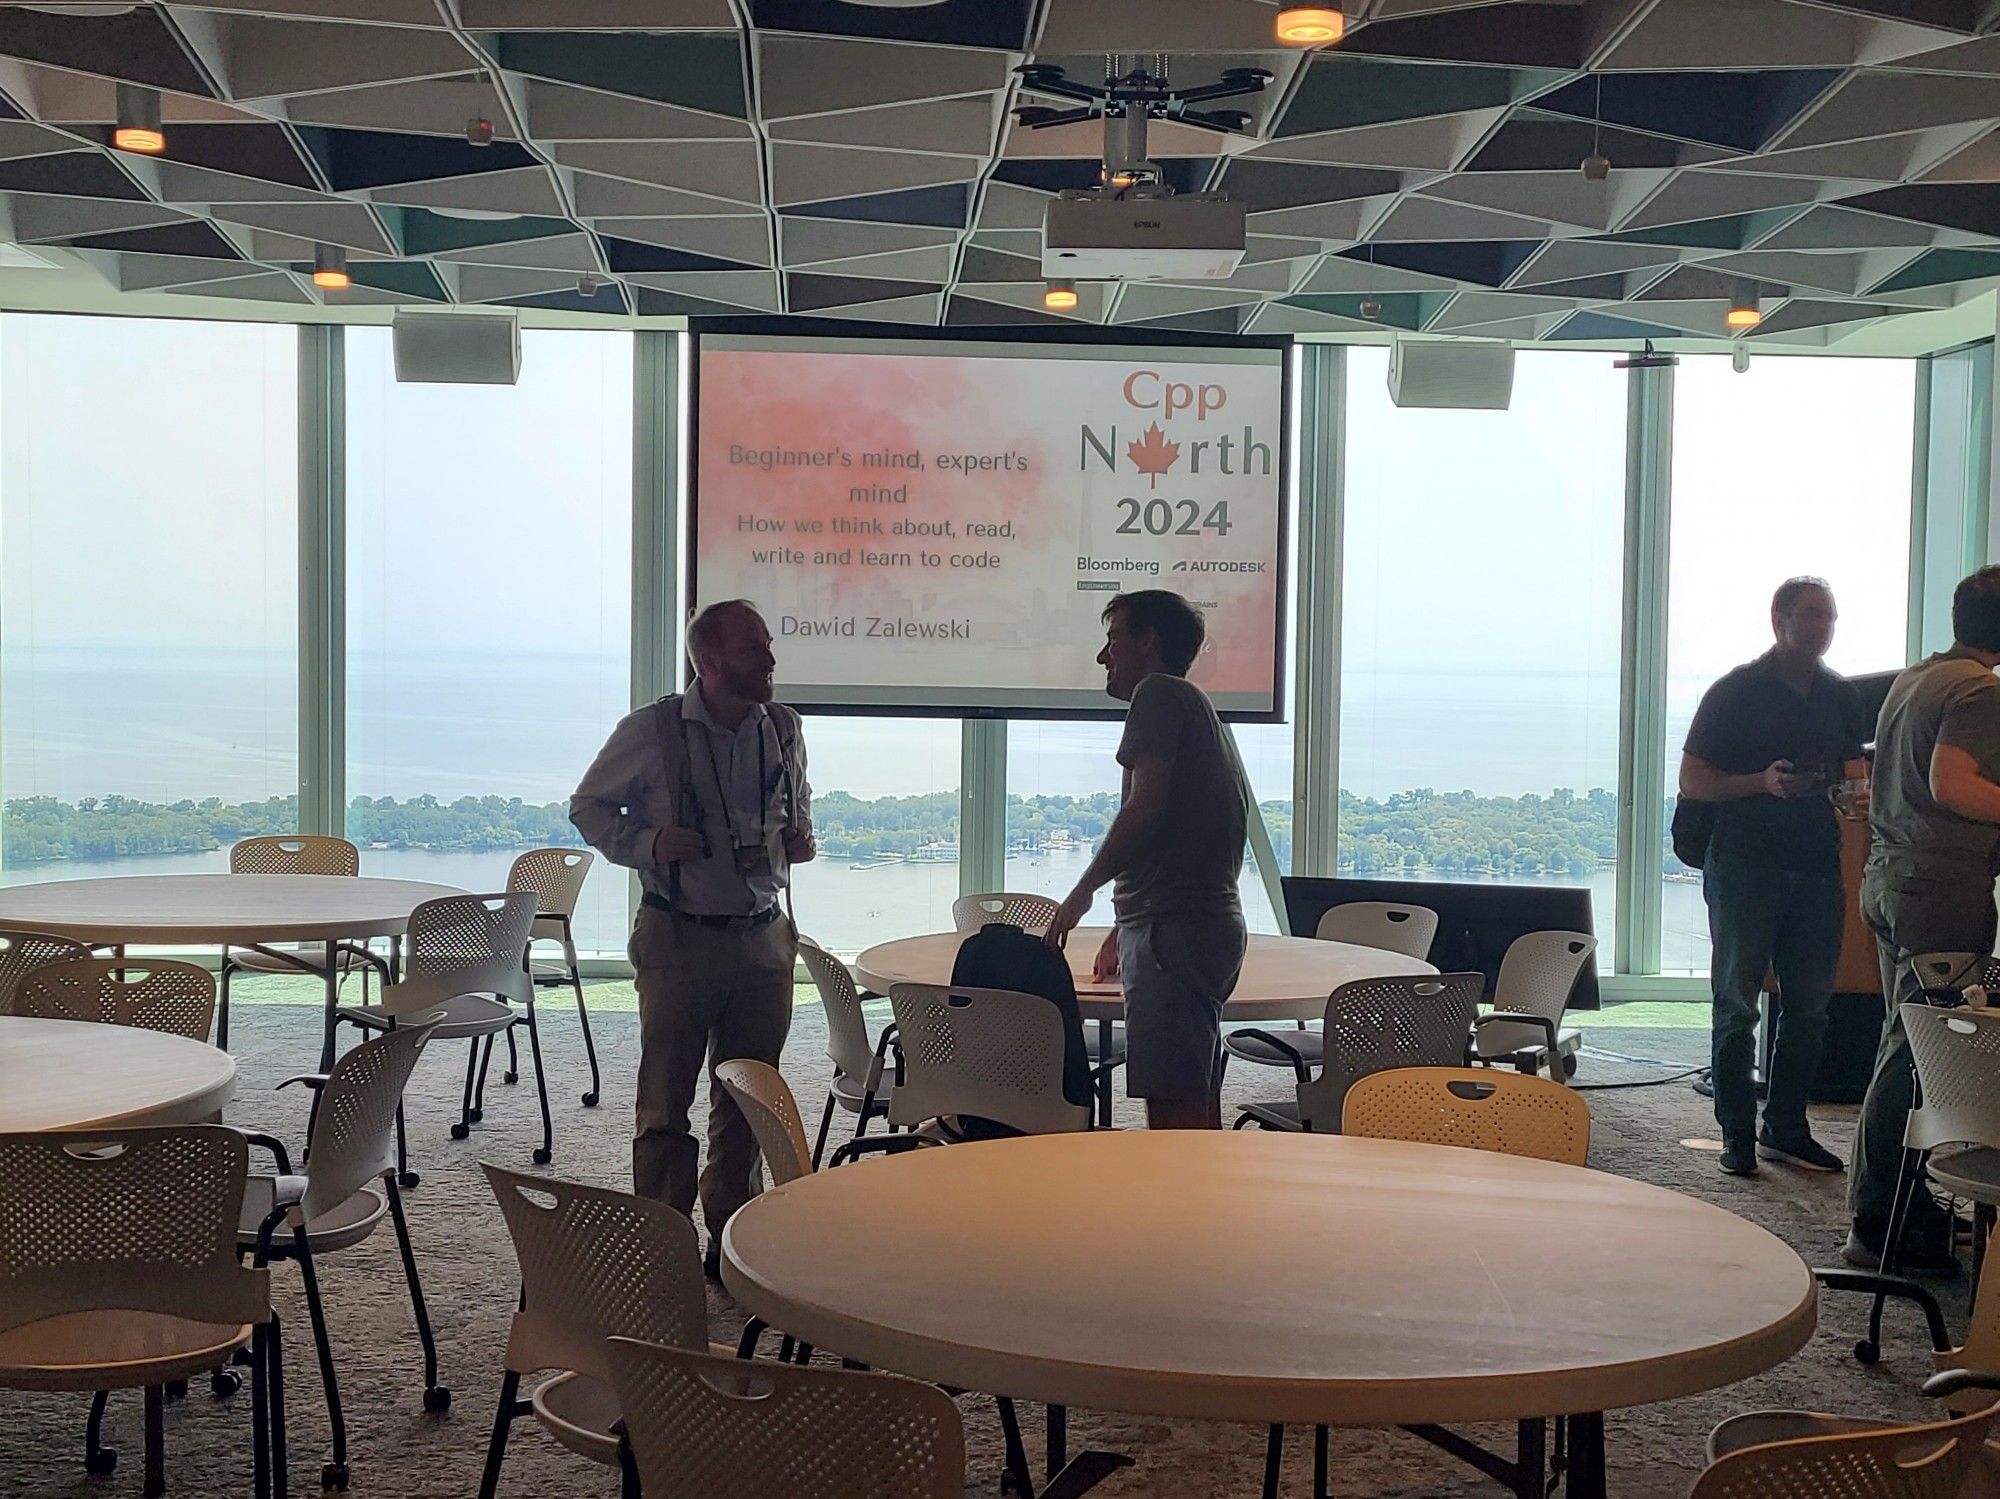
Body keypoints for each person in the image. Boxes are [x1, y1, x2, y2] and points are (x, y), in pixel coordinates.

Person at [569, 599, 814, 1271]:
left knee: (748, 1101)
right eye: (753, 650)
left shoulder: (784, 728)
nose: (769, 660)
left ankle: (731, 1242)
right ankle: (663, 1247)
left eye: (766, 646)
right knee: (665, 1102)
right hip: (680, 937)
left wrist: (800, 839)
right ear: (708, 662)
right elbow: (587, 807)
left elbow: (798, 810)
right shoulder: (652, 731)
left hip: (764, 940)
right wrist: (647, 841)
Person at [1045, 590, 1251, 1130]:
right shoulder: (1197, 708)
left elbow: (1145, 808)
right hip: (1192, 923)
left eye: (1113, 639)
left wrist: (1082, 892)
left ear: (1148, 641)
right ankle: (1202, 1213)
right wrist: (1124, 920)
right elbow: (1185, 831)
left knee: (1173, 1112)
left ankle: (1182, 1216)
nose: (1102, 656)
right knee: (1194, 1096)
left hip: (1173, 933)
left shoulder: (1157, 695)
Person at [1680, 577, 1864, 1179]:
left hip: (1816, 865)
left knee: (1809, 1009)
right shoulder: (1735, 693)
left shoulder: (1840, 696)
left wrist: (1852, 793)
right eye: (1812, 615)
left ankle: (1786, 1127)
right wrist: (1760, 783)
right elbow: (1694, 782)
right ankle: (1738, 1133)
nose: (1822, 627)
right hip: (1744, 866)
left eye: (1829, 617)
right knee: (1737, 1005)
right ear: (1778, 619)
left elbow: (1853, 767)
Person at [1845, 565, 2000, 1275]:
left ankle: (1895, 1204)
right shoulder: (1978, 689)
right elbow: (1952, 783)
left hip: (1891, 878)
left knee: (1902, 1042)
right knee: (1916, 1052)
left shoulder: (1917, 677)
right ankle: (1878, 1222)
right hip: (1938, 889)